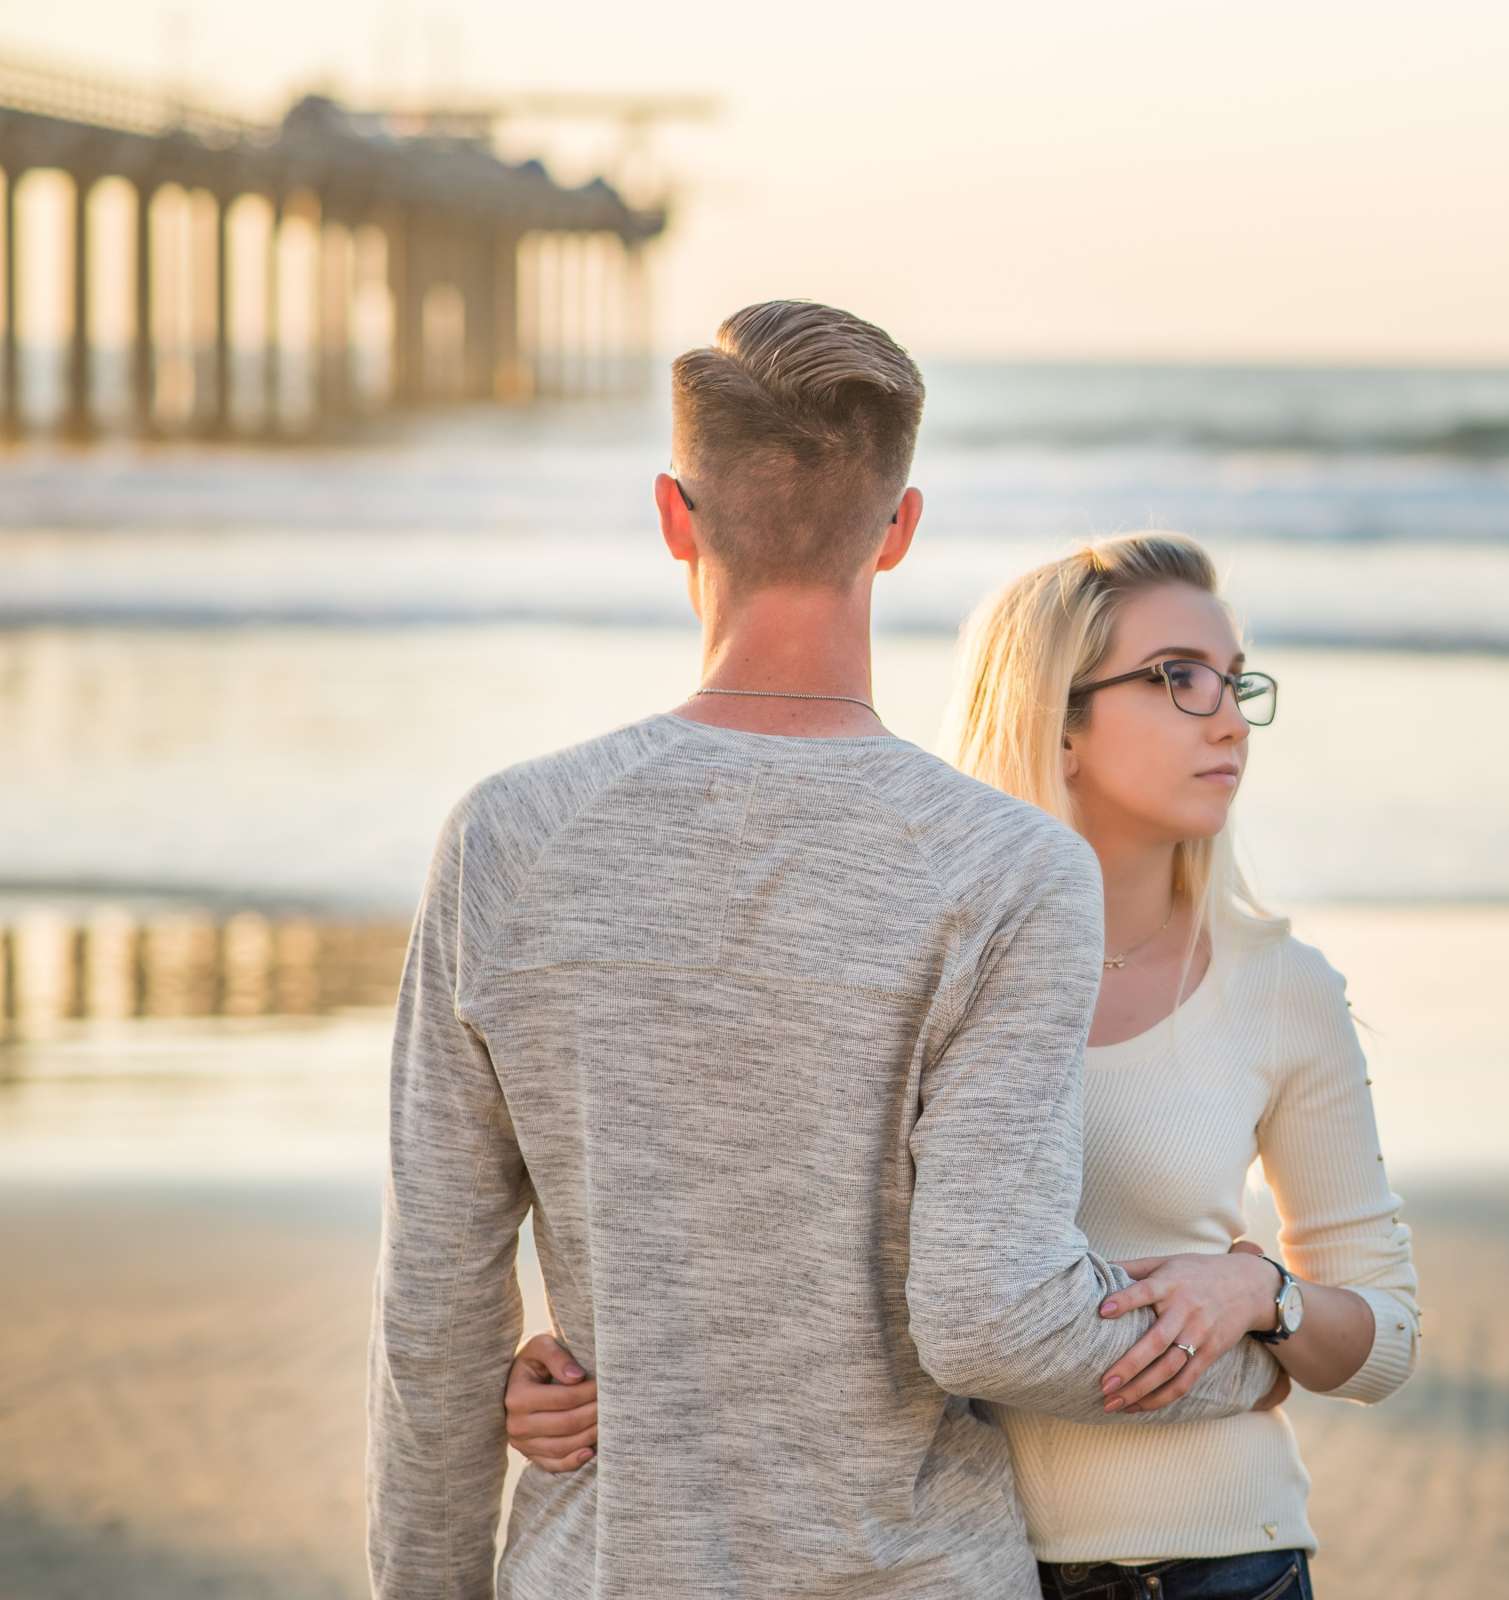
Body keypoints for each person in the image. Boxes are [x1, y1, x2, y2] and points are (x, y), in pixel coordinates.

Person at [365, 301, 1291, 1600]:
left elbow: (436, 1324)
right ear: (901, 528)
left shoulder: (510, 839)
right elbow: (993, 1320)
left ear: (675, 516)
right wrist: (1269, 1338)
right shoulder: (1007, 871)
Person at [506, 533, 1423, 1600]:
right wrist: (578, 1378)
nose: (1227, 718)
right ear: (1057, 719)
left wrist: (1264, 1295)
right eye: (1178, 678)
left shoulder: (1279, 986)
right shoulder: (894, 961)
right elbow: (766, 1251)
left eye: (1235, 682)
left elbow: (1386, 1332)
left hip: (1222, 1564)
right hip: (943, 1566)